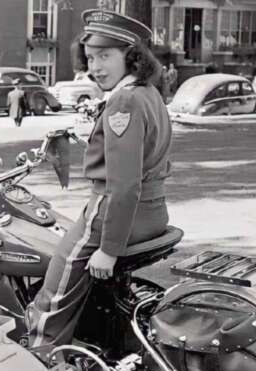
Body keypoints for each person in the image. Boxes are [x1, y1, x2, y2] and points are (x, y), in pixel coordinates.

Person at [26, 9, 172, 349]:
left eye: (105, 56)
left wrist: (108, 249)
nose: (96, 67)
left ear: (131, 56)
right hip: (153, 212)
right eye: (91, 57)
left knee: (51, 300)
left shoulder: (123, 101)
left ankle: (40, 357)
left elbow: (124, 185)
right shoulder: (147, 92)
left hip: (110, 215)